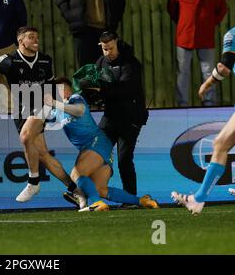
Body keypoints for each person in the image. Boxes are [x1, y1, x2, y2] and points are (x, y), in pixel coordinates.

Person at [0, 26, 87, 207]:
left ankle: (33, 182)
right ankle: (78, 192)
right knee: (43, 155)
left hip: (42, 106)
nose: (36, 40)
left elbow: (50, 85)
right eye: (31, 37)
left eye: (37, 37)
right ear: (21, 41)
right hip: (20, 111)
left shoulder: (44, 61)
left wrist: (53, 103)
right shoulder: (9, 60)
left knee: (25, 136)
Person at [44, 77, 159, 211]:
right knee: (100, 189)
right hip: (101, 149)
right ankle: (142, 201)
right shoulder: (57, 111)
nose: (58, 92)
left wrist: (53, 102)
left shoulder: (75, 98)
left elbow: (79, 111)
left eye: (61, 88)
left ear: (67, 89)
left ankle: (95, 202)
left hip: (96, 143)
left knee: (76, 175)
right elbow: (43, 122)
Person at [172, 26, 235, 215]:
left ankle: (198, 199)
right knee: (221, 143)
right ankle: (198, 199)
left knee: (221, 144)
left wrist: (207, 84)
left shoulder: (232, 34)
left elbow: (225, 65)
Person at [85, 31, 148, 197]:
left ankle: (131, 198)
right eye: (104, 49)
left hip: (130, 117)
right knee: (95, 154)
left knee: (124, 160)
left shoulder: (131, 63)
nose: (108, 53)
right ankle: (91, 195)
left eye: (111, 48)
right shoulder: (101, 62)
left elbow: (125, 90)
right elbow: (95, 84)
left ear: (117, 43)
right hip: (110, 117)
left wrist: (101, 90)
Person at [167, 0, 227, 107]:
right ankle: (182, 106)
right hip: (184, 38)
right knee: (183, 74)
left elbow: (221, 10)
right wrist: (182, 23)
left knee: (209, 74)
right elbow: (172, 8)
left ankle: (210, 104)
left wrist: (208, 24)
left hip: (206, 39)